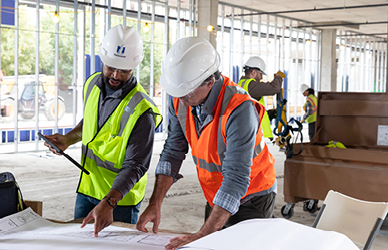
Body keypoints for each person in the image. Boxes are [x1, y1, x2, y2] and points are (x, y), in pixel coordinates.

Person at [136, 37, 276, 249]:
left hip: (253, 197)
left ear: (210, 81)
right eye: (177, 92)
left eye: (187, 93)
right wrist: (155, 202)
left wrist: (204, 233)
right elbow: (173, 151)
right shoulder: (181, 97)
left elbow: (236, 178)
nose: (180, 99)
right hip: (216, 194)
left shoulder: (239, 109)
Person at [43, 24, 162, 236]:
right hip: (87, 190)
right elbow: (91, 123)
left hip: (119, 201)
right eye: (111, 67)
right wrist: (68, 139)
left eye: (123, 71)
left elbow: (136, 165)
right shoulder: (91, 85)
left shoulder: (142, 111)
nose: (116, 75)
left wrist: (110, 201)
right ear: (102, 60)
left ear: (134, 67)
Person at [238, 56, 285, 140]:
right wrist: (278, 77)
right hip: (253, 134)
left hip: (247, 131)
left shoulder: (241, 84)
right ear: (253, 72)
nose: (261, 78)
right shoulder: (251, 85)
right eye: (261, 74)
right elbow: (274, 88)